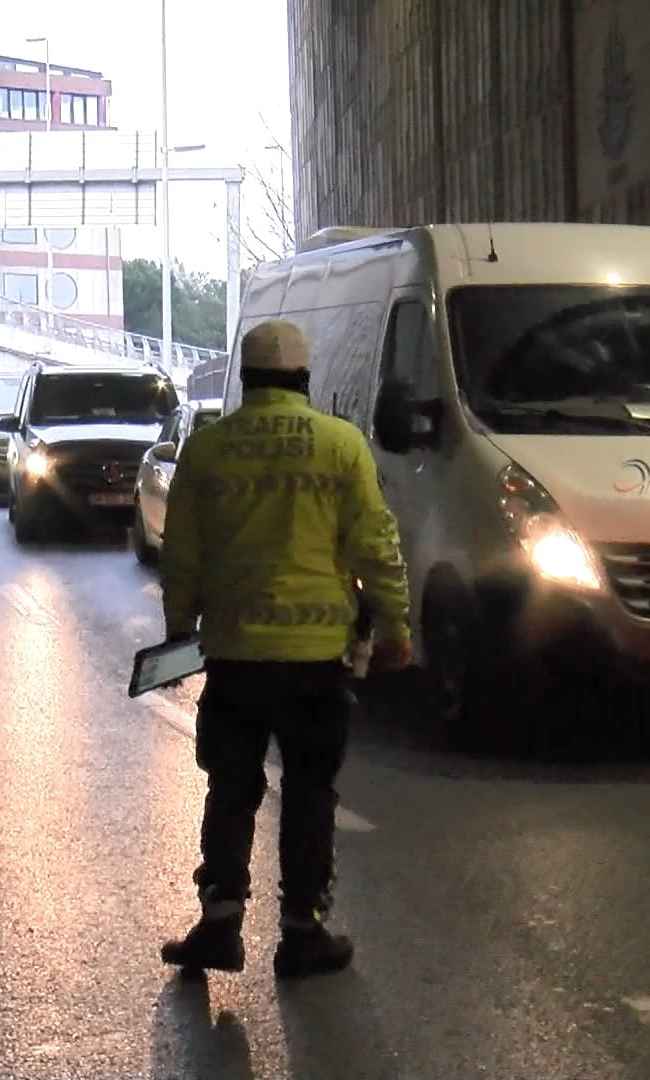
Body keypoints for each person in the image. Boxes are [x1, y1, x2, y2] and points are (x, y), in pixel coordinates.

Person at [158, 319, 412, 980]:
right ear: (304, 378)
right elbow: (374, 545)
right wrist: (394, 627)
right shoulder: (340, 445)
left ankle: (219, 923)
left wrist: (180, 627)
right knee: (308, 791)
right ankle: (303, 932)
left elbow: (181, 551)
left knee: (232, 787)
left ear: (245, 379)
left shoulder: (210, 450)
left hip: (236, 656)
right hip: (315, 658)